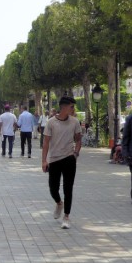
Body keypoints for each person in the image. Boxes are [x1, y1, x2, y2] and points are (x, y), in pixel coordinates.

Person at [42, 96, 83, 229]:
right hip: (54, 159)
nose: (73, 109)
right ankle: (59, 203)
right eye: (72, 106)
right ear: (64, 107)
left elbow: (78, 139)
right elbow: (46, 142)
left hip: (69, 158)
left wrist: (76, 153)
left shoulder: (75, 122)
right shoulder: (51, 122)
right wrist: (44, 160)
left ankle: (66, 216)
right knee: (53, 188)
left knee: (68, 188)